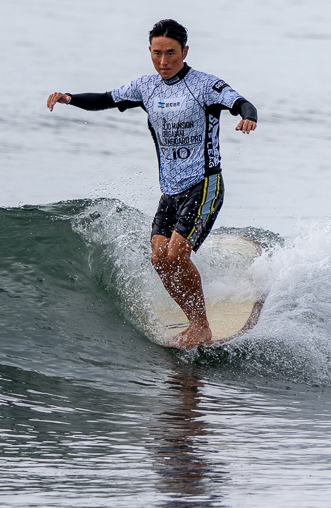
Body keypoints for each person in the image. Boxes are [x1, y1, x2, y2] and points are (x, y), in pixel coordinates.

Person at [46, 19, 258, 348]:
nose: (163, 61)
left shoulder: (204, 86)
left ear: (185, 51)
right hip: (170, 191)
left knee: (177, 252)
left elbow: (241, 102)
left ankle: (201, 326)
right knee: (159, 258)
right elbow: (106, 98)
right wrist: (70, 98)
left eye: (171, 53)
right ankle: (194, 321)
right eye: (156, 53)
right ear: (149, 51)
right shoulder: (147, 87)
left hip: (204, 186)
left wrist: (248, 116)